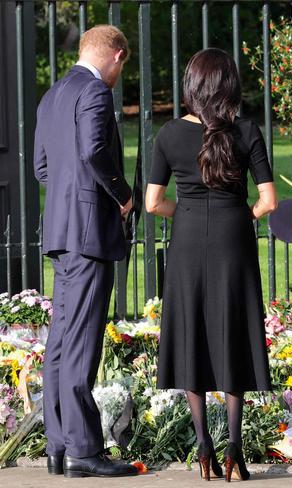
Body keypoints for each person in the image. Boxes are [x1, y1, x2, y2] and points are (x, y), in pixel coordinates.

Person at [145, 48, 277, 482]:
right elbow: (268, 201)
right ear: (230, 86)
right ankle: (235, 451)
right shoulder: (247, 131)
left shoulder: (168, 134)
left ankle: (204, 446)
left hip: (186, 245)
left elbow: (152, 203)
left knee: (191, 335)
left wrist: (184, 211)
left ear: (191, 86)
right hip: (233, 242)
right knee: (233, 332)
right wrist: (242, 216)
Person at [33, 25, 137, 478]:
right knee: (80, 343)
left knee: (60, 341)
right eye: (122, 65)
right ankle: (83, 449)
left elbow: (41, 168)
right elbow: (95, 150)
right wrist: (123, 195)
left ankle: (58, 445)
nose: (119, 74)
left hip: (60, 232)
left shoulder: (52, 95)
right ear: (116, 54)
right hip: (89, 234)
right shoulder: (95, 91)